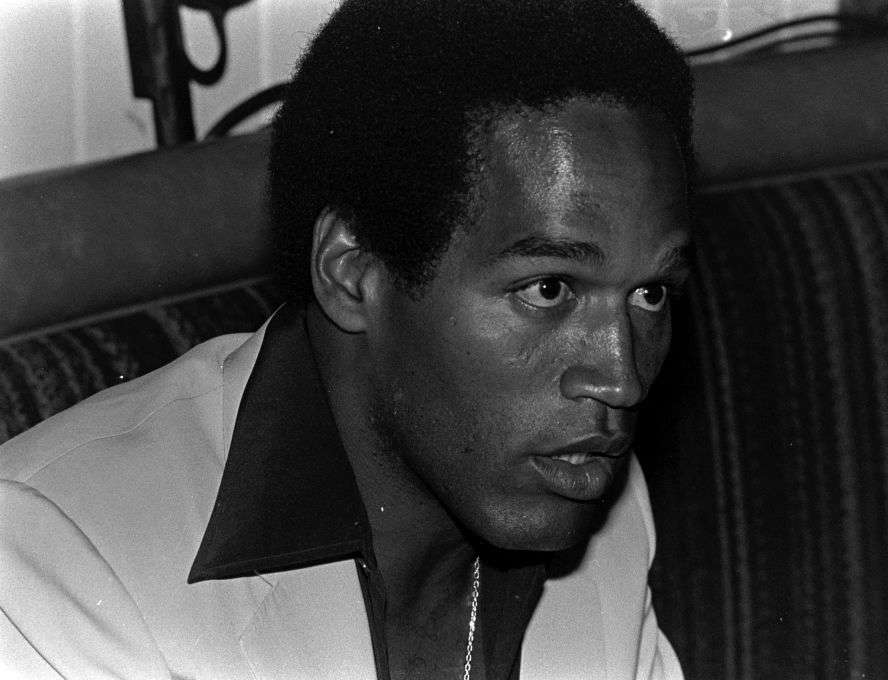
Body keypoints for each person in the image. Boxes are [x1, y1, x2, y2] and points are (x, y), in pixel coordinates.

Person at [0, 0, 693, 677]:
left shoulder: (597, 502)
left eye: (651, 294)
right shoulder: (56, 562)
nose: (621, 377)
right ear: (353, 271)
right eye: (547, 289)